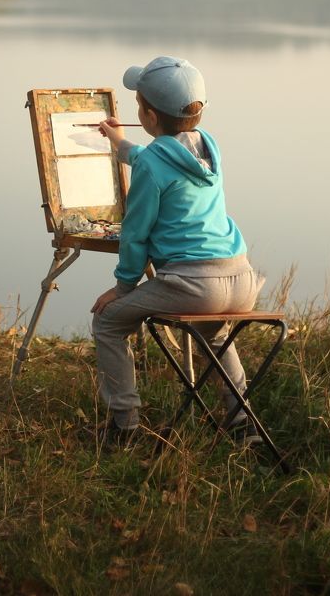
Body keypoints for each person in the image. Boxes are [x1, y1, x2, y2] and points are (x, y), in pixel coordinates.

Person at [91, 55, 264, 445]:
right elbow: (159, 160)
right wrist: (120, 143)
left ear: (149, 117)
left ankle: (124, 426)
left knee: (108, 322)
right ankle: (242, 424)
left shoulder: (153, 164)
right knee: (213, 333)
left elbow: (135, 234)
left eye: (139, 106)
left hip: (195, 284)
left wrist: (122, 287)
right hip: (241, 279)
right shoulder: (208, 149)